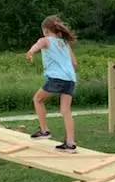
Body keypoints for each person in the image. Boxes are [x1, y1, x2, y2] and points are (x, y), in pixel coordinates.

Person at [25, 15, 79, 153]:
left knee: (37, 99)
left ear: (46, 30)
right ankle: (70, 144)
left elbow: (38, 45)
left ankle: (44, 130)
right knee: (65, 111)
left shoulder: (45, 40)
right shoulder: (65, 43)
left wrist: (31, 52)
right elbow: (74, 63)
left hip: (57, 78)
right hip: (70, 78)